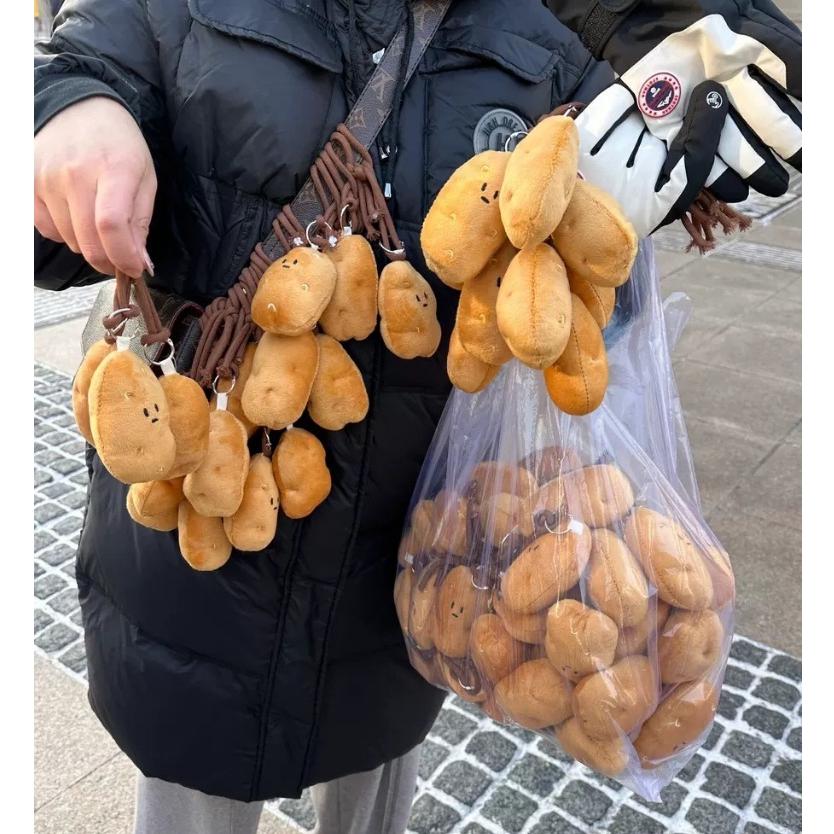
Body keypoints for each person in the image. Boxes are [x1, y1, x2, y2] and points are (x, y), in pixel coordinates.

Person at [34, 2, 800, 832]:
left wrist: (621, 212)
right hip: (195, 571)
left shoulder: (547, 47)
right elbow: (75, 77)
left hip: (407, 571)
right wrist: (66, 116)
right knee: (191, 793)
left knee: (372, 790)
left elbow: (572, 323)